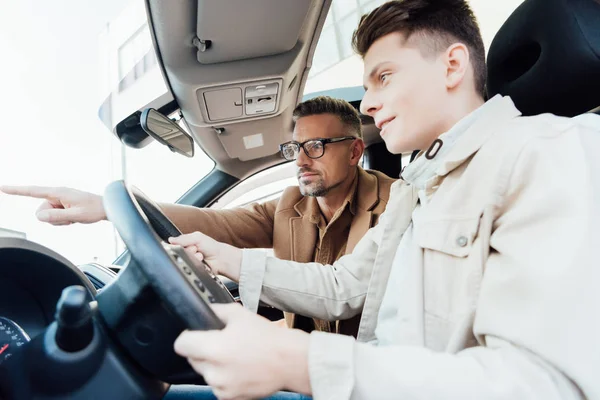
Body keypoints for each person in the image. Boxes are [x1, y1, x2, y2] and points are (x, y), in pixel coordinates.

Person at [166, 1, 600, 399]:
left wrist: (302, 362)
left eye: (384, 77)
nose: (369, 105)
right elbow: (344, 286)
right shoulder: (417, 186)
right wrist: (225, 258)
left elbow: (545, 383)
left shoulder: (553, 152)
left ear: (452, 66)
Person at [0, 96, 396, 337]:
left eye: (316, 146)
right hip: (302, 357)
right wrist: (105, 207)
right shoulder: (290, 203)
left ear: (355, 151)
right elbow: (217, 224)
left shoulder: (396, 204)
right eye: (295, 148)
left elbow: (346, 294)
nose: (302, 161)